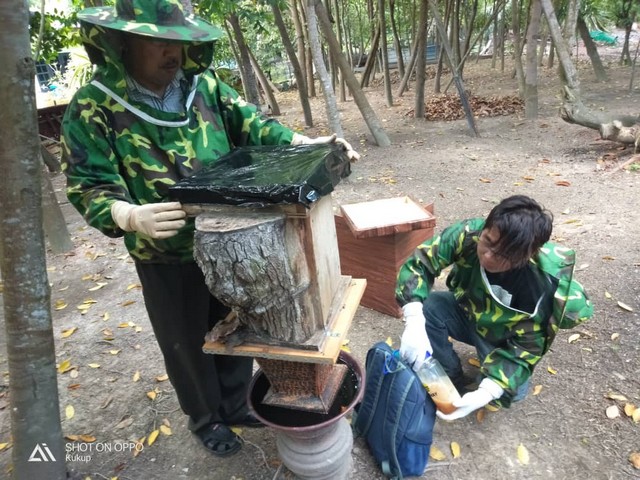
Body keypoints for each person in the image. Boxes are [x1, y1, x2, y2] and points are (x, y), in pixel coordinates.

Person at [60, 0, 360, 457]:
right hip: (166, 253)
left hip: (231, 241)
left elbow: (254, 126)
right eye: (159, 42)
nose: (172, 53)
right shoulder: (93, 106)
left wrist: (306, 144)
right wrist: (126, 214)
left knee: (236, 324)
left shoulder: (204, 87)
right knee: (185, 341)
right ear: (124, 43)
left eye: (178, 42)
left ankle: (236, 403)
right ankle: (205, 418)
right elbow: (88, 185)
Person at [395, 195, 593, 421]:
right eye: (488, 242)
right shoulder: (470, 234)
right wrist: (413, 318)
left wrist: (489, 390)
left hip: (505, 337)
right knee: (431, 308)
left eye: (504, 255)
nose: (488, 256)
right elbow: (421, 262)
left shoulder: (545, 287)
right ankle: (449, 375)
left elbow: (528, 348)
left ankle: (489, 374)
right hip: (469, 312)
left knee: (509, 391)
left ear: (528, 254)